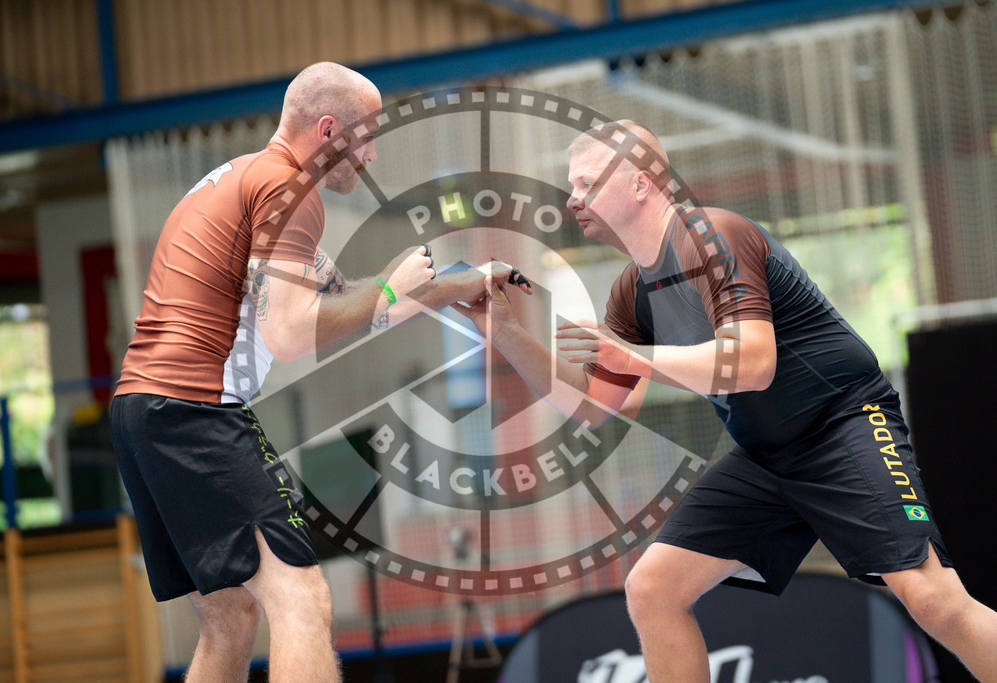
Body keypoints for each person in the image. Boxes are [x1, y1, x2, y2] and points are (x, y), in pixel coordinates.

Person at [454, 119, 997, 681]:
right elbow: (594, 406)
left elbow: (754, 364)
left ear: (641, 183)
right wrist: (505, 333)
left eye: (587, 183)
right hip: (767, 455)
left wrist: (635, 357)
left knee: (933, 601)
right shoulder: (631, 290)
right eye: (572, 185)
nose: (572, 198)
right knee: (653, 588)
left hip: (843, 425)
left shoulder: (714, 236)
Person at [110, 62, 529, 683]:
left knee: (230, 618)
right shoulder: (291, 191)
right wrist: (391, 288)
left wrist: (453, 286)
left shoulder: (246, 178)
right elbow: (291, 334)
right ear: (329, 129)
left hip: (141, 411)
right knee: (302, 599)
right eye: (368, 137)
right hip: (194, 407)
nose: (372, 155)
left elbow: (341, 298)